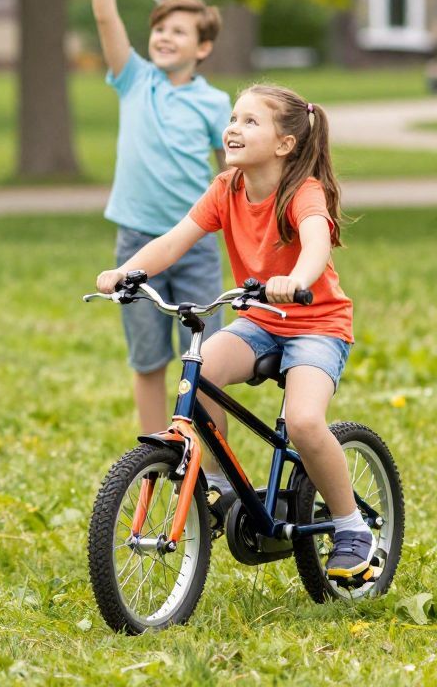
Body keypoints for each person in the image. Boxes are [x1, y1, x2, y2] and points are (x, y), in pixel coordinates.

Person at [95, 84, 374, 582]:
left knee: (306, 422)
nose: (234, 128)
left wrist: (297, 281)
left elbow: (314, 246)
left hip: (315, 324)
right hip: (260, 321)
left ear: (284, 144)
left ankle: (352, 526)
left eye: (250, 121)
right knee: (200, 375)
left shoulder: (301, 190)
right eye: (233, 119)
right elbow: (175, 240)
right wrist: (128, 271)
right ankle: (219, 485)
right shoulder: (226, 188)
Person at [86, 0, 232, 435]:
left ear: (203, 47)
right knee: (148, 361)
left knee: (207, 362)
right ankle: (155, 458)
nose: (164, 37)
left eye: (178, 31)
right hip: (137, 243)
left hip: (194, 244)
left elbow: (232, 169)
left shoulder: (215, 103)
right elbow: (106, 18)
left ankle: (214, 473)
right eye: (159, 28)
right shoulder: (134, 80)